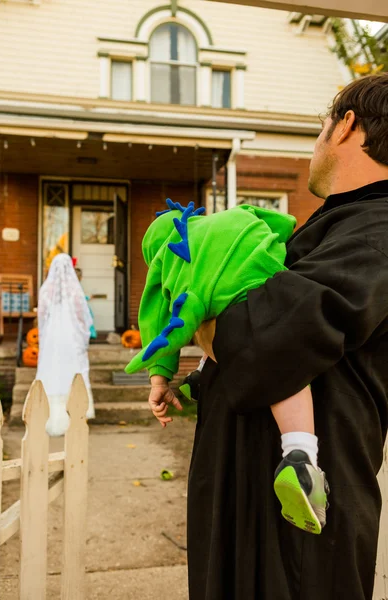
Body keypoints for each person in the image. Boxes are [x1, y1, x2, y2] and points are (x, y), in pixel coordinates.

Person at [149, 73, 388, 600]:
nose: (317, 140)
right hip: (246, 507)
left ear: (347, 126)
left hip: (300, 533)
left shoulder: (377, 230)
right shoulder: (335, 226)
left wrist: (198, 310)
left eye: (320, 126)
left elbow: (268, 333)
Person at [126, 199, 328, 533]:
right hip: (259, 276)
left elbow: (155, 320)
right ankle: (298, 455)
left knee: (269, 360)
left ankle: (298, 458)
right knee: (284, 364)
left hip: (220, 306)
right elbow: (278, 221)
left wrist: (159, 379)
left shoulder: (166, 258)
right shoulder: (230, 217)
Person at [36, 253, 95, 436]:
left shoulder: (45, 290)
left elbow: (42, 317)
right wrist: (84, 336)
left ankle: (52, 419)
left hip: (53, 338)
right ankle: (76, 418)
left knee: (52, 371)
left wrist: (44, 338)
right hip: (71, 338)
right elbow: (82, 318)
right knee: (74, 371)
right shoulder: (75, 290)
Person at [74, 265, 98, 340]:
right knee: (85, 319)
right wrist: (87, 298)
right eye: (81, 276)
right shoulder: (76, 286)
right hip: (79, 306)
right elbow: (78, 297)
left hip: (80, 305)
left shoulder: (76, 285)